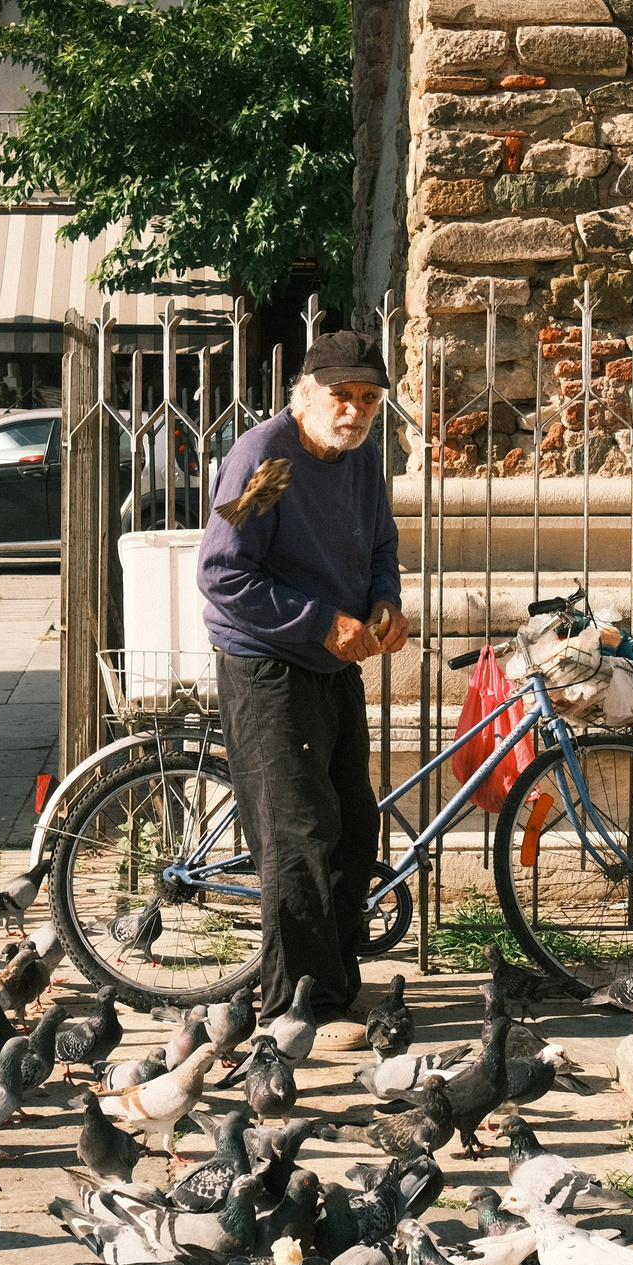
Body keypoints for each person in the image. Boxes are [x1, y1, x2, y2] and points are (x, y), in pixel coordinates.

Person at [197, 331, 409, 1019]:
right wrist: (323, 622)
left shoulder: (359, 458)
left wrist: (384, 603)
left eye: (368, 400)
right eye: (341, 397)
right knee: (299, 836)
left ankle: (334, 988)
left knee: (352, 824)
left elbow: (380, 545)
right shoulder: (271, 458)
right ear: (307, 394)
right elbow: (224, 574)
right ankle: (296, 1010)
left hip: (333, 661)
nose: (354, 412)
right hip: (269, 664)